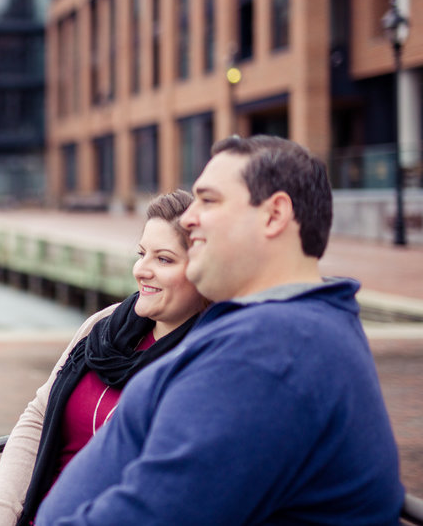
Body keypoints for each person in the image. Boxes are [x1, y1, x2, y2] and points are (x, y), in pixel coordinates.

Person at [35, 135, 404, 526]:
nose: (189, 218)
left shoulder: (271, 355)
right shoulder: (273, 328)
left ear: (274, 215)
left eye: (208, 200)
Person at [0, 190, 208, 526]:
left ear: (204, 272)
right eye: (141, 254)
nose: (142, 270)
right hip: (34, 509)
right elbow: (38, 415)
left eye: (163, 259)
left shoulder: (205, 360)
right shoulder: (105, 326)